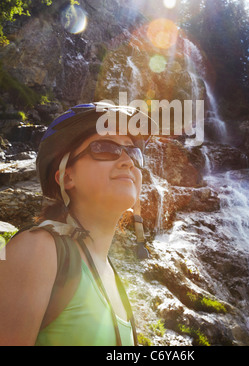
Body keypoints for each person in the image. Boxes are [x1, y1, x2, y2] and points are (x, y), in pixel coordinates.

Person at [0, 101, 155, 346]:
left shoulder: (111, 274)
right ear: (66, 177)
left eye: (133, 152)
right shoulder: (37, 250)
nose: (128, 161)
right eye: (105, 148)